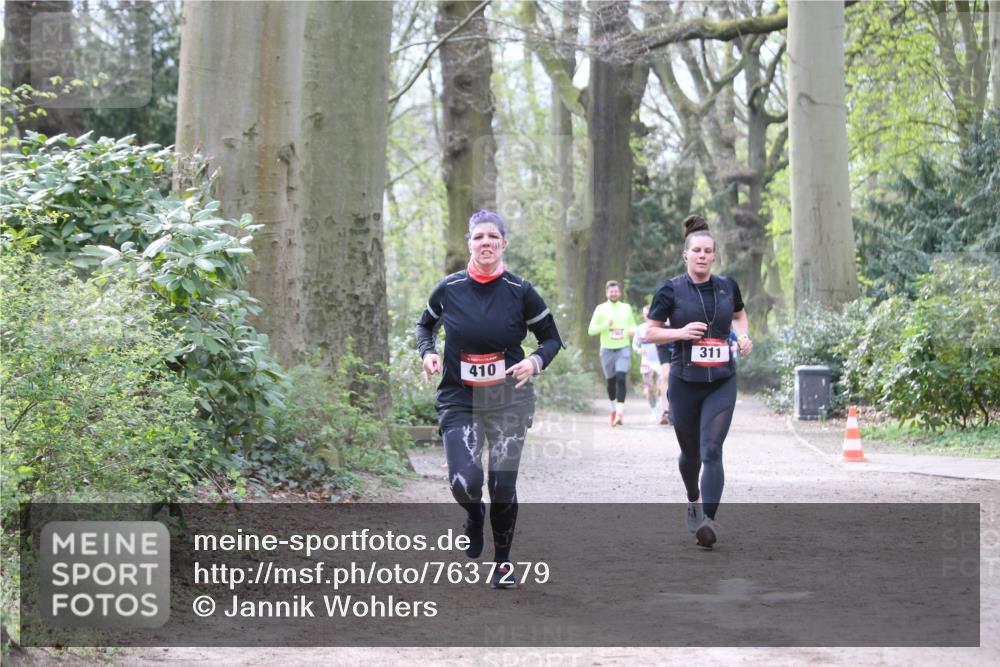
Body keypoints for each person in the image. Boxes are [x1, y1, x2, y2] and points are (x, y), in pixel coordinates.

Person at [416, 210, 563, 588]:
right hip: (459, 397)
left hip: (509, 398)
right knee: (464, 482)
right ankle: (473, 513)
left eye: (492, 237)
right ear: (469, 243)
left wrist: (534, 361)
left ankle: (502, 562)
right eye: (479, 237)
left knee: (502, 485)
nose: (486, 243)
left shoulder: (520, 291)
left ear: (503, 244)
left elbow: (551, 339)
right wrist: (427, 353)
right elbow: (425, 326)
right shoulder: (449, 288)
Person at [644, 214, 752, 549]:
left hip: (721, 380)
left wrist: (743, 337)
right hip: (685, 381)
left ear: (714, 256)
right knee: (690, 455)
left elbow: (739, 316)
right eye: (697, 251)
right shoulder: (671, 289)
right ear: (686, 255)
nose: (702, 256)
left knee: (712, 449)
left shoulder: (727, 286)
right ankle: (693, 498)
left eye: (708, 251)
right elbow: (649, 333)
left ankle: (708, 521)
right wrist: (679, 332)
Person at [587, 280, 637, 426]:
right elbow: (591, 330)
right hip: (607, 350)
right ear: (607, 293)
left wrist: (633, 330)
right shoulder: (600, 309)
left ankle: (620, 413)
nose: (614, 293)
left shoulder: (626, 308)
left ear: (619, 293)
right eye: (611, 291)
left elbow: (632, 324)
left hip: (623, 348)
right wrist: (605, 325)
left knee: (621, 377)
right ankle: (614, 410)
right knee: (611, 381)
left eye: (616, 291)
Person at [632, 305, 663, 423]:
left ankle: (663, 411)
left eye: (649, 314)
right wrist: (639, 350)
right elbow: (635, 344)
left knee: (661, 387)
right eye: (645, 314)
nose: (647, 316)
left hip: (660, 361)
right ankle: (653, 413)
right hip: (646, 362)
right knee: (650, 388)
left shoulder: (660, 326)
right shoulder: (640, 329)